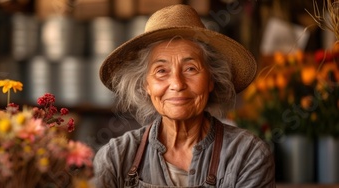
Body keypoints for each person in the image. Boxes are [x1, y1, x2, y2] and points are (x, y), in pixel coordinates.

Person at [93, 4, 275, 188]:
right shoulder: (115, 158)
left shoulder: (247, 155)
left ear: (211, 79)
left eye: (190, 69)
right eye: (161, 71)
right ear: (146, 85)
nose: (178, 84)